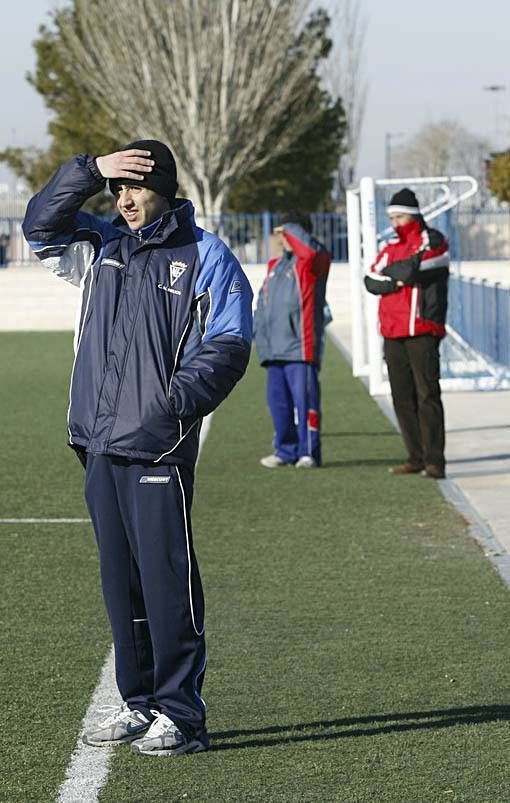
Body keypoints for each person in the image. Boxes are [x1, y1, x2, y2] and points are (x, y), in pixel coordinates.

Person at [23, 140, 253, 757]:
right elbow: (38, 226)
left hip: (157, 445)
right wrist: (89, 171)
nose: (125, 200)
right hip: (98, 444)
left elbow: (230, 342)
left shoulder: (204, 254)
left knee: (165, 581)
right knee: (120, 583)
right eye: (118, 189)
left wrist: (171, 404)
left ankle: (182, 713)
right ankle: (137, 702)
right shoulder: (100, 247)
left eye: (137, 188)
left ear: (166, 189)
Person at [364, 188, 449, 479]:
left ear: (412, 215)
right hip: (392, 331)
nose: (395, 222)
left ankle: (435, 460)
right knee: (402, 397)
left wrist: (395, 273)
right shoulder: (389, 246)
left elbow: (421, 266)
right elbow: (371, 279)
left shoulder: (434, 239)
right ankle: (415, 457)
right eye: (392, 217)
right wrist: (396, 279)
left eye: (399, 216)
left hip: (422, 329)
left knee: (427, 395)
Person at [254, 214, 331, 468]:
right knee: (278, 404)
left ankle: (308, 452)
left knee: (305, 402)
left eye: (283, 233)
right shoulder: (275, 266)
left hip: (300, 349)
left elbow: (309, 251)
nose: (279, 238)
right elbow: (263, 306)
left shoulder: (312, 262)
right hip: (274, 351)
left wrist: (290, 228)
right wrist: (260, 340)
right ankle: (285, 451)